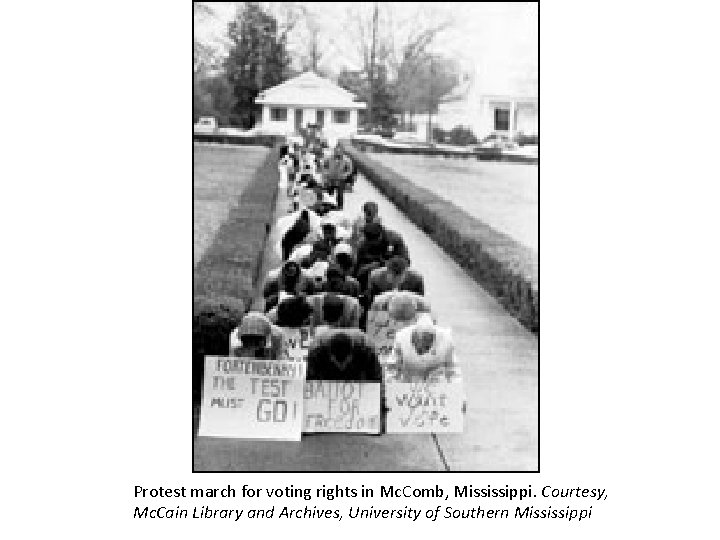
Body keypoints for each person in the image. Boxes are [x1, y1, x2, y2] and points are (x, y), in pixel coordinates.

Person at [389, 313, 456, 381]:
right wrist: (392, 384)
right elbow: (392, 366)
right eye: (420, 339)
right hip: (408, 383)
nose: (422, 342)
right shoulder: (401, 337)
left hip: (436, 383)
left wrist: (455, 387)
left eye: (427, 338)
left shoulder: (446, 339)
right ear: (414, 334)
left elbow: (452, 368)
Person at [306, 329, 382, 381]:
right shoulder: (316, 351)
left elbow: (376, 378)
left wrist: (380, 401)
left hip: (357, 376)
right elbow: (311, 379)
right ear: (331, 356)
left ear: (351, 356)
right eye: (338, 363)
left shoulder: (367, 349)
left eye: (344, 363)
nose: (341, 367)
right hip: (328, 376)